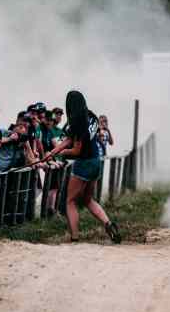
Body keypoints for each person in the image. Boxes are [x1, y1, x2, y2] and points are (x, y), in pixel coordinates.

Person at [49, 90, 121, 243]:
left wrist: (61, 155)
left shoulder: (77, 123)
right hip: (96, 162)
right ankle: (109, 224)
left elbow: (76, 150)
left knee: (70, 201)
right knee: (88, 199)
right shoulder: (92, 116)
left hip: (83, 164)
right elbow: (70, 139)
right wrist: (54, 151)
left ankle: (74, 237)